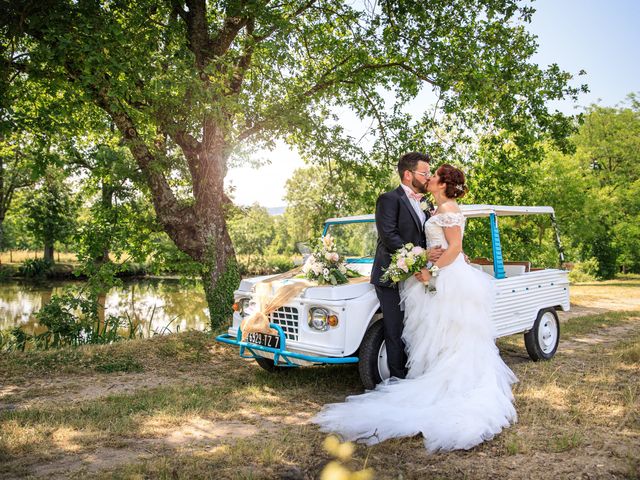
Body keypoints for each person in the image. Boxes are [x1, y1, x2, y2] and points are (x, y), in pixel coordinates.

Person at [312, 164, 518, 453]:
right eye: (427, 173)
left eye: (434, 176)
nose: (429, 177)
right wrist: (428, 261)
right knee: (431, 333)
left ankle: (452, 387)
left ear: (444, 184)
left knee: (450, 332)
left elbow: (455, 247)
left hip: (444, 278)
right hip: (430, 274)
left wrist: (430, 269)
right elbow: (434, 241)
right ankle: (429, 378)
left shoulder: (448, 209)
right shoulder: (433, 207)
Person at [369, 152, 443, 380]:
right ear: (408, 174)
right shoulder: (389, 199)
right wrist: (421, 257)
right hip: (390, 276)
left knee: (416, 326)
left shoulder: (425, 202)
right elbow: (390, 236)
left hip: (417, 276)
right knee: (395, 329)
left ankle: (417, 373)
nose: (428, 177)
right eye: (425, 173)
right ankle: (396, 379)